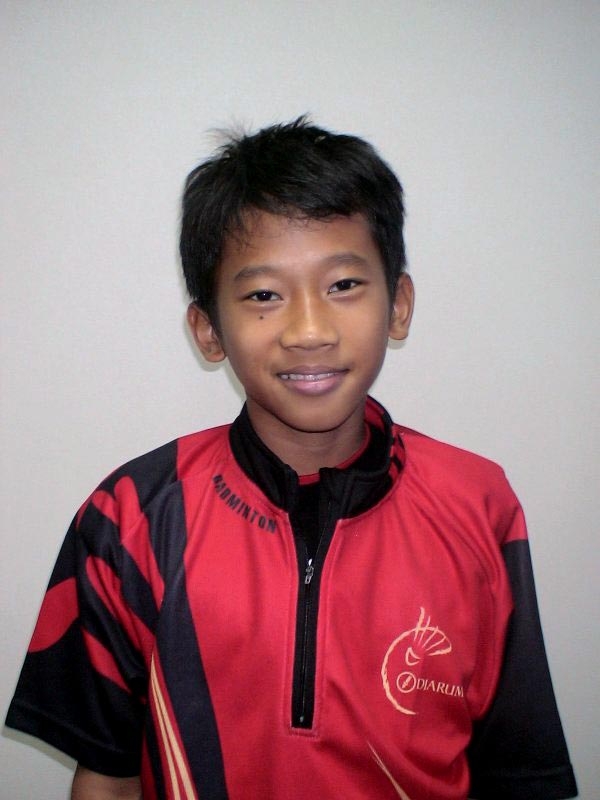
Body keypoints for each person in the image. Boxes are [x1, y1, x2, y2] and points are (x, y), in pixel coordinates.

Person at [6, 117, 577, 800]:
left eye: (343, 285)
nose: (309, 331)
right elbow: (108, 779)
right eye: (263, 296)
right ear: (208, 330)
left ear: (398, 305)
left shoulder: (479, 504)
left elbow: (517, 775)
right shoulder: (131, 517)